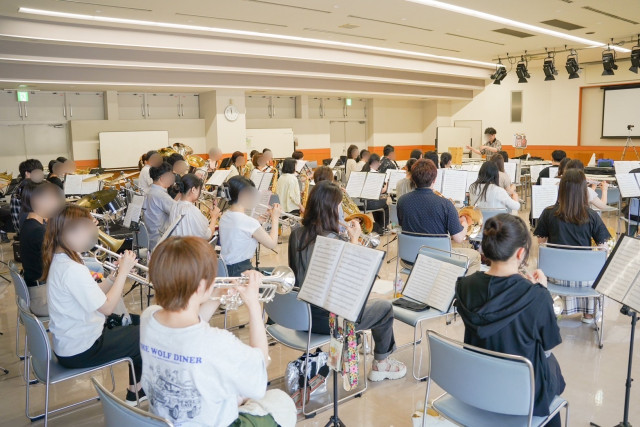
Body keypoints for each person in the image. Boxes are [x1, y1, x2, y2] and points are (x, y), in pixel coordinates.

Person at [141, 236, 296, 426]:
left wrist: (215, 296)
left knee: (234, 390)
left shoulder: (149, 317)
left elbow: (185, 333)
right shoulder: (216, 341)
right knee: (281, 401)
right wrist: (254, 306)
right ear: (200, 287)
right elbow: (259, 372)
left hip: (166, 419)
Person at [288, 181, 407, 382]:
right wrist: (354, 241)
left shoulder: (296, 234)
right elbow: (356, 284)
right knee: (384, 308)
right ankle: (381, 363)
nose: (341, 211)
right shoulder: (335, 241)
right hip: (328, 320)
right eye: (339, 206)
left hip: (300, 315)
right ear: (330, 209)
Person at [455, 214, 565, 427]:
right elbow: (547, 348)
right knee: (552, 366)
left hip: (476, 384)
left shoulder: (464, 285)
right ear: (521, 253)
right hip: (522, 395)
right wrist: (542, 291)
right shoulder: (537, 296)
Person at [42, 205, 145, 405]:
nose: (91, 236)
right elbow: (107, 308)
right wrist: (124, 272)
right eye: (87, 230)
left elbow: (93, 294)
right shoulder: (71, 268)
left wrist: (113, 277)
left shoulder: (64, 259)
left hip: (74, 341)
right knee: (146, 333)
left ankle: (139, 387)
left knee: (141, 322)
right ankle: (136, 393)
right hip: (82, 348)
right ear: (68, 233)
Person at [534, 169, 611, 322]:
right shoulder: (591, 215)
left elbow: (541, 243)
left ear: (561, 189)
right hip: (584, 278)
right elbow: (603, 249)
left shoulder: (548, 213)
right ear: (583, 190)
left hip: (555, 276)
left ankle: (555, 309)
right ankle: (588, 313)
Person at [397, 159, 481, 273]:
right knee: (475, 256)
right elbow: (459, 239)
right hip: (438, 260)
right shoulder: (445, 204)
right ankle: (459, 284)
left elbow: (403, 226)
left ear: (412, 178)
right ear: (434, 180)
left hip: (409, 259)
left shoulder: (402, 201)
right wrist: (465, 223)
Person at [218, 176, 281, 276]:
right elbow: (272, 244)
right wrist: (275, 218)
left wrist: (257, 221)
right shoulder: (250, 223)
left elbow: (240, 230)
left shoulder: (225, 216)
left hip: (225, 269)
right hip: (241, 272)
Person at [19, 181, 65, 316]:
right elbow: (62, 260)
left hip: (41, 290)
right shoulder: (37, 231)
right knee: (93, 299)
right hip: (43, 299)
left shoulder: (30, 224)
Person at [169, 174, 220, 241]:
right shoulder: (191, 209)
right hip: (186, 246)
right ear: (193, 190)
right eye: (199, 189)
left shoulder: (175, 205)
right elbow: (207, 235)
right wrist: (214, 217)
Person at [143, 162, 177, 250]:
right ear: (163, 178)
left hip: (150, 238)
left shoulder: (149, 191)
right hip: (160, 241)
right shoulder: (160, 195)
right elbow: (178, 211)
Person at [11, 159, 44, 234]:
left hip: (25, 225)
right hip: (26, 228)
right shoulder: (26, 188)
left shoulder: (22, 185)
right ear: (27, 174)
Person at [360, 154, 389, 233]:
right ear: (375, 162)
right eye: (379, 162)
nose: (379, 164)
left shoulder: (364, 171)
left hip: (360, 203)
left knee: (378, 201)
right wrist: (387, 185)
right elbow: (381, 191)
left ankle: (379, 226)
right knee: (384, 204)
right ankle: (384, 227)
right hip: (368, 203)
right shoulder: (375, 173)